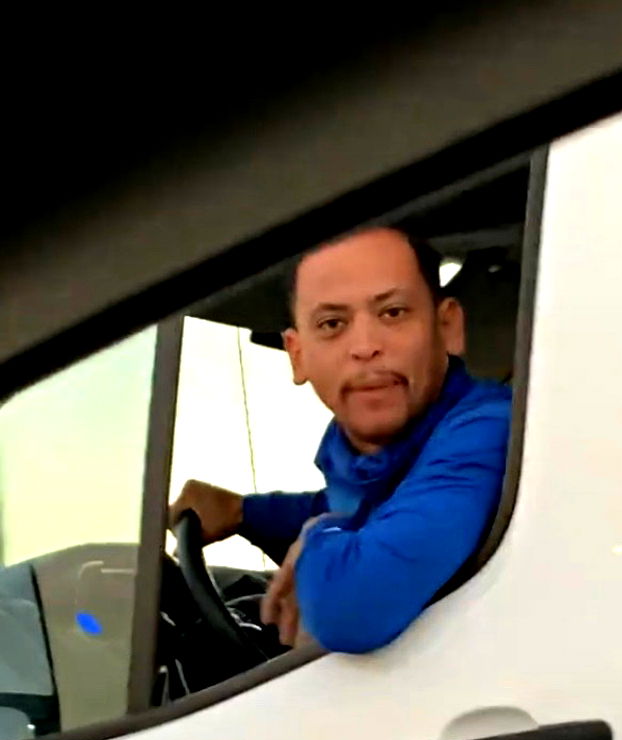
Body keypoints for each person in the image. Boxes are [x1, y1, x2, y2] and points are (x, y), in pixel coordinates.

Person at [169, 227, 511, 654]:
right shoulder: (375, 456)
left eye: (393, 313)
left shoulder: (488, 432)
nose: (365, 347)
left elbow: (353, 610)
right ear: (298, 354)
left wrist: (316, 535)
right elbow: (354, 509)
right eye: (332, 324)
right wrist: (244, 513)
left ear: (447, 327)